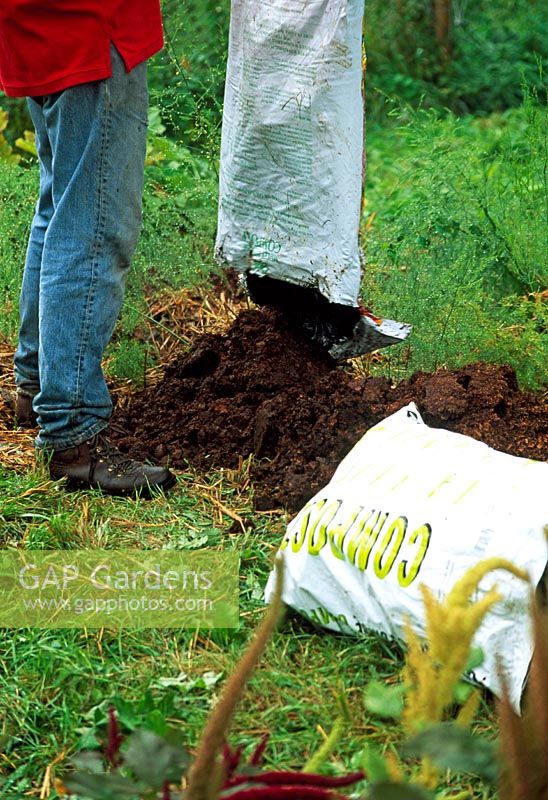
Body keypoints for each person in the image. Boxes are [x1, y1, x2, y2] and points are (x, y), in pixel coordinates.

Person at [0, 0, 175, 496]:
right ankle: (72, 432)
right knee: (94, 230)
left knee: (61, 208)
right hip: (89, 27)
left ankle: (36, 386)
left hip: (44, 30)